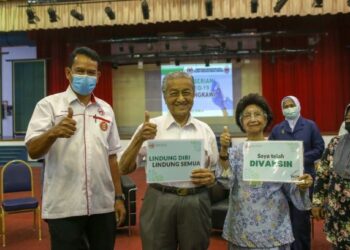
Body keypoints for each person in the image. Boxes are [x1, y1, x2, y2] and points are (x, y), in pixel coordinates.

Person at [25, 47, 126, 250]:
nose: (85, 77)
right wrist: (53, 132)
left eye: (91, 73)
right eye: (80, 71)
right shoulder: (48, 106)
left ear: (98, 76)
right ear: (68, 73)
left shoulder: (106, 109)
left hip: (102, 206)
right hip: (64, 207)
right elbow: (33, 151)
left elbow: (112, 156)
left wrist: (118, 197)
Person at [119, 71, 218, 250]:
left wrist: (211, 178)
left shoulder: (206, 130)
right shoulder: (149, 128)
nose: (181, 98)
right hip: (158, 200)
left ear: (194, 95)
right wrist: (139, 139)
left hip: (195, 202)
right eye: (174, 93)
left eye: (186, 92)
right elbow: (123, 168)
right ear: (165, 97)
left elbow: (214, 171)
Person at [218, 93, 313, 250]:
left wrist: (302, 185)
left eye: (257, 114)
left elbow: (291, 188)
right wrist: (223, 151)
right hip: (241, 228)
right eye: (247, 115)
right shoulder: (234, 152)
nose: (253, 118)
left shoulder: (280, 150)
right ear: (241, 122)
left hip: (274, 227)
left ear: (267, 118)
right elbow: (225, 182)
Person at [269, 95, 324, 250]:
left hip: (303, 181)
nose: (288, 108)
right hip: (282, 183)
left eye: (291, 105)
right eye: (285, 106)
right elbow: (270, 151)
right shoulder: (277, 129)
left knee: (300, 223)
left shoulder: (310, 125)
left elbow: (320, 149)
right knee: (283, 221)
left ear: (298, 106)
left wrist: (298, 159)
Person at [312, 104, 350, 249]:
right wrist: (317, 203)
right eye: (347, 118)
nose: (349, 120)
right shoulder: (335, 143)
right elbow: (322, 175)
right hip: (338, 215)